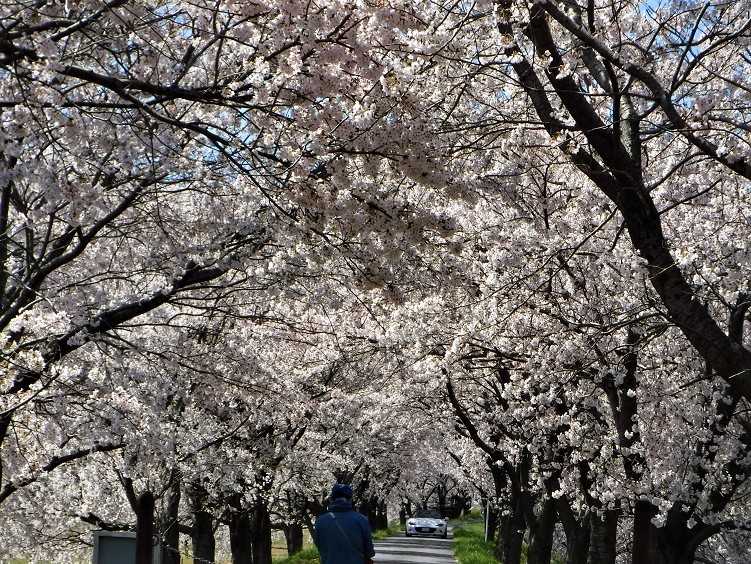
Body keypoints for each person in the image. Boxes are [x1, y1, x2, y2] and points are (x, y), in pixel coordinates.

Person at [314, 483, 376, 564]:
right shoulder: (361, 519)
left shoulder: (320, 521)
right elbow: (370, 552)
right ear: (350, 499)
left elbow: (319, 546)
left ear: (331, 499)